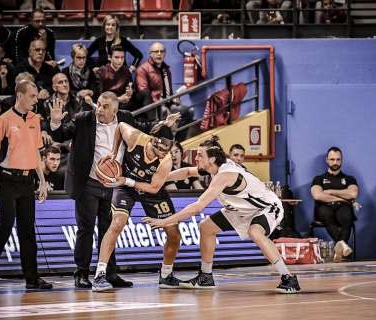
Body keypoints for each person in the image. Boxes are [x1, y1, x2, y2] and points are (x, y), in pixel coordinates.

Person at [49, 91, 176, 289]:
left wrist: (165, 124)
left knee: (110, 229)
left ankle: (110, 273)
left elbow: (147, 129)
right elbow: (62, 134)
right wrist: (55, 123)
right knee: (86, 229)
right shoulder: (84, 118)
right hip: (89, 182)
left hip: (115, 184)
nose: (99, 109)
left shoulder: (125, 118)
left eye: (105, 106)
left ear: (115, 110)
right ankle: (81, 273)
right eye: (98, 104)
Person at [143, 137, 301, 294]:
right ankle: (206, 276)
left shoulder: (225, 175)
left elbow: (197, 207)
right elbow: (186, 172)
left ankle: (288, 278)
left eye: (200, 155)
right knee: (206, 227)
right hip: (241, 209)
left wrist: (165, 221)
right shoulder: (214, 167)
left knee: (255, 232)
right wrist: (159, 177)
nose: (196, 158)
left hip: (266, 207)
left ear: (211, 158)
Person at [0, 80, 52, 291]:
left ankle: (32, 278)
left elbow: (36, 152)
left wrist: (42, 182)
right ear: (20, 95)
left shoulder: (36, 119)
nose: (36, 100)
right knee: (5, 226)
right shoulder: (5, 120)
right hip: (7, 180)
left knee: (27, 231)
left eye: (36, 96)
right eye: (32, 96)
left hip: (27, 181)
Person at [91, 122, 184, 292]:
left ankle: (166, 275)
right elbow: (119, 126)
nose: (163, 154)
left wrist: (128, 181)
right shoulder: (135, 138)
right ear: (152, 141)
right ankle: (100, 275)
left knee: (174, 233)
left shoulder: (166, 161)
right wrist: (113, 151)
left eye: (166, 150)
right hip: (125, 186)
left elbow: (155, 188)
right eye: (161, 149)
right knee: (117, 224)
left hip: (146, 188)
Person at [310, 146, 358, 262]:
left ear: (341, 160)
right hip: (324, 207)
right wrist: (343, 197)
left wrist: (331, 191)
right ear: (327, 160)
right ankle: (343, 248)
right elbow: (317, 195)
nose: (335, 162)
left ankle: (339, 249)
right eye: (332, 159)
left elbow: (353, 194)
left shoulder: (349, 179)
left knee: (347, 216)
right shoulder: (318, 179)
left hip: (343, 208)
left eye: (338, 159)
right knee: (327, 215)